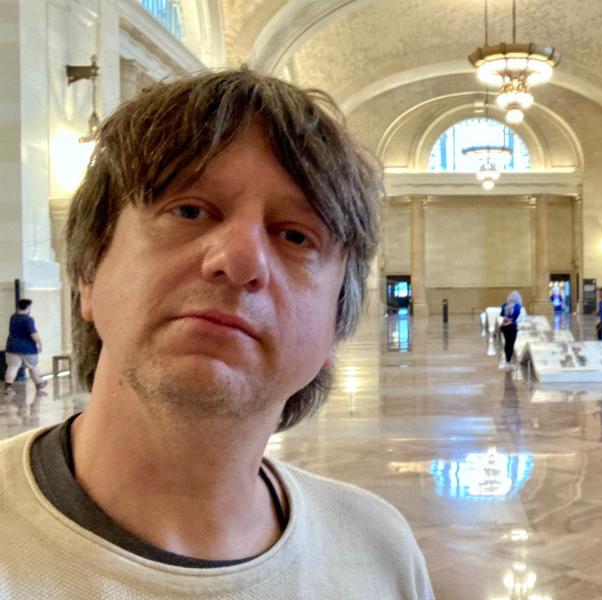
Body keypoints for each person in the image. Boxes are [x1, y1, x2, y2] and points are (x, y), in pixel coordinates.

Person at [0, 70, 433, 598]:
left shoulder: (378, 552)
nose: (240, 259)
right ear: (89, 275)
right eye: (189, 210)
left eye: (296, 236)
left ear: (333, 330)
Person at [4, 298, 46, 397]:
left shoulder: (13, 317)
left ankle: (8, 388)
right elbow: (33, 334)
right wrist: (40, 343)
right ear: (28, 307)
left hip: (12, 347)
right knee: (32, 367)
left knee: (12, 367)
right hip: (28, 349)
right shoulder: (28, 320)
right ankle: (39, 384)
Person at [500, 290, 523, 368]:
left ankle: (507, 360)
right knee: (511, 343)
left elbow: (502, 314)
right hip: (512, 326)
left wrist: (506, 319)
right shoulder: (517, 306)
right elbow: (516, 315)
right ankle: (508, 360)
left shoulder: (504, 305)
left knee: (507, 342)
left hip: (504, 326)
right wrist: (511, 320)